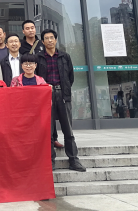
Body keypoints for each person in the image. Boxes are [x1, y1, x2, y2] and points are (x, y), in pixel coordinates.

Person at [36, 28, 86, 172]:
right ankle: (50, 161)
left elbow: (70, 77)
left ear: (56, 40)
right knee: (48, 131)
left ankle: (74, 160)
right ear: (43, 41)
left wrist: (64, 90)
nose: (49, 40)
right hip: (46, 96)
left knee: (68, 130)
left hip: (63, 95)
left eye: (52, 37)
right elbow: (37, 77)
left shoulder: (65, 56)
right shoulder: (39, 58)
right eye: (46, 38)